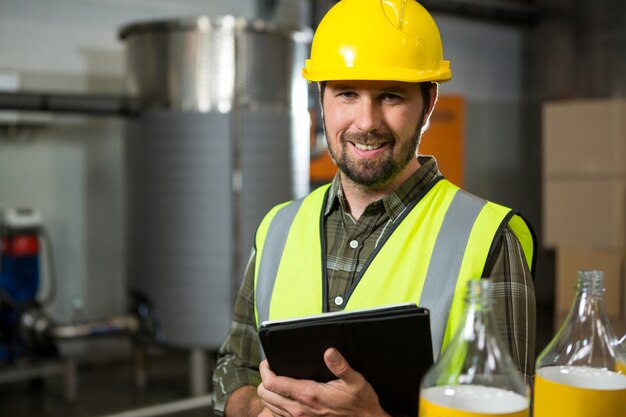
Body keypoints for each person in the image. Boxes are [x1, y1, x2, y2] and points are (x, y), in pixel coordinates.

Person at [212, 0, 536, 416]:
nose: (366, 122)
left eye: (390, 96)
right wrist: (259, 409)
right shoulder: (278, 229)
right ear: (321, 99)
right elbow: (233, 370)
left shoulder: (488, 238)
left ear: (429, 102)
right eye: (347, 93)